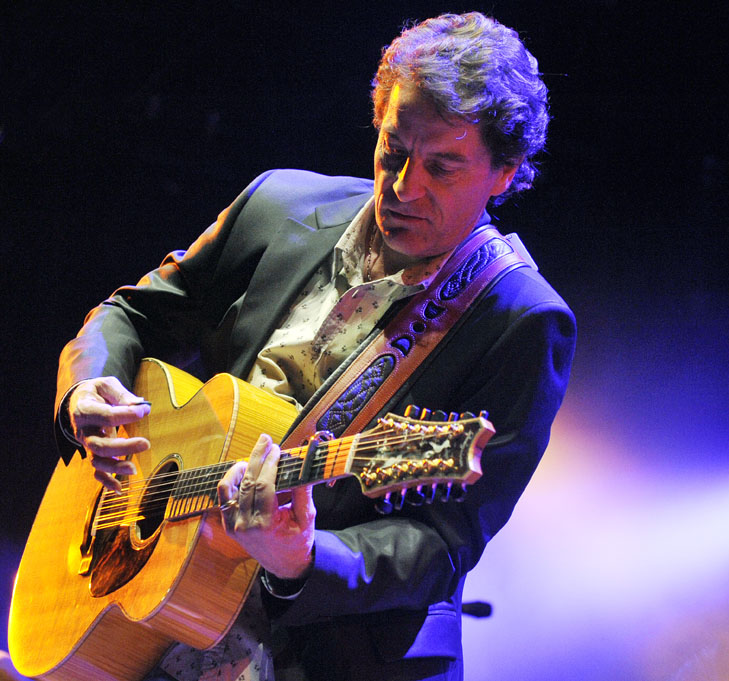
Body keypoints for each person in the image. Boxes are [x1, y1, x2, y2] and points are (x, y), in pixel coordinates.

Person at [54, 12, 575, 681]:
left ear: (504, 173)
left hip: (331, 653)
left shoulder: (521, 320)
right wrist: (85, 388)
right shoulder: (280, 204)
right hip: (161, 601)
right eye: (393, 150)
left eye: (444, 167)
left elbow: (442, 542)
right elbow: (132, 313)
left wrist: (300, 556)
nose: (405, 187)